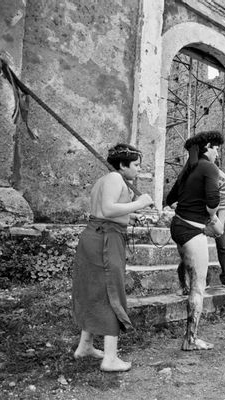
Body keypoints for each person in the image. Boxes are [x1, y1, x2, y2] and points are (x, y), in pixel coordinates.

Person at [72, 144, 154, 372]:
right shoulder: (116, 179)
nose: (139, 169)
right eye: (136, 165)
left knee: (95, 291)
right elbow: (108, 210)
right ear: (122, 165)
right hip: (105, 240)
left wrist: (130, 215)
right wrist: (140, 203)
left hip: (97, 235)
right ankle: (109, 358)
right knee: (111, 293)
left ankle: (85, 346)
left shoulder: (104, 180)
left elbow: (106, 211)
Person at [166, 130, 225, 350]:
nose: (217, 153)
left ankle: (189, 334)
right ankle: (190, 340)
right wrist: (211, 217)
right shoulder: (209, 167)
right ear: (207, 146)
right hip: (193, 230)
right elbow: (212, 201)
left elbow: (170, 198)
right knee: (198, 287)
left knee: (192, 280)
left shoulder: (188, 168)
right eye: (216, 148)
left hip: (178, 226)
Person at [176, 157, 225, 294]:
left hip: (214, 214)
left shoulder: (222, 178)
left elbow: (223, 204)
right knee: (190, 248)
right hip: (195, 216)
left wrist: (219, 225)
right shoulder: (192, 177)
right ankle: (196, 281)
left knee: (223, 244)